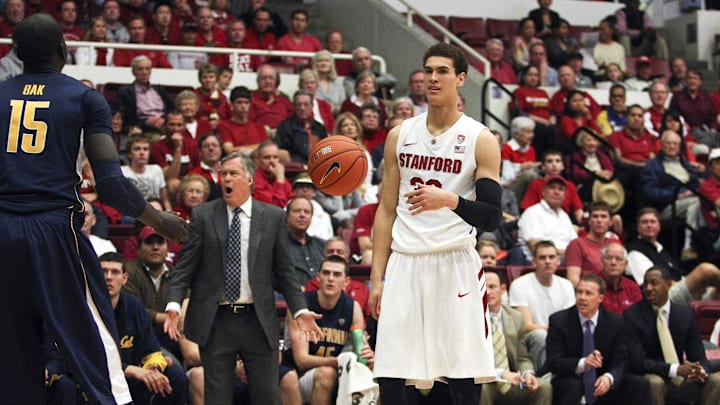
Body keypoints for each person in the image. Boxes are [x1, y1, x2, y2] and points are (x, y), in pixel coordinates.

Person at [0, 14, 187, 405]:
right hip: (52, 230)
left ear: (15, 52)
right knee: (95, 338)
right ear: (64, 51)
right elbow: (110, 186)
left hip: (3, 230)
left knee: (14, 354)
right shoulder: (84, 98)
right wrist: (159, 219)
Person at [369, 43, 502, 404]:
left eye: (442, 71)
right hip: (405, 260)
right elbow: (385, 210)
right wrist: (377, 278)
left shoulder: (481, 139)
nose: (432, 77)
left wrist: (451, 200)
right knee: (392, 375)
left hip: (454, 261)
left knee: (460, 376)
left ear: (460, 79)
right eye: (428, 70)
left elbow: (492, 214)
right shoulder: (399, 134)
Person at [163, 152, 323, 405]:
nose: (226, 178)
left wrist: (300, 309)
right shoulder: (204, 215)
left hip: (257, 320)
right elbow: (184, 267)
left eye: (233, 173)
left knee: (268, 396)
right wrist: (173, 303)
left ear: (249, 179)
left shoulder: (272, 217)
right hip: (217, 320)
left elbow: (285, 271)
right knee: (217, 398)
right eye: (223, 173)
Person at [99, 252, 189, 405]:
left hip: (132, 376)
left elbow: (151, 349)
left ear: (124, 278)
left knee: (175, 378)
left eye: (114, 272)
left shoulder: (134, 306)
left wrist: (153, 368)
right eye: (103, 272)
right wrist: (135, 371)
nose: (108, 277)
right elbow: (92, 361)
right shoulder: (85, 309)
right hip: (99, 378)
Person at [546, 274, 650, 405]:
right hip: (572, 377)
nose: (582, 297)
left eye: (588, 293)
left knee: (639, 384)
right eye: (579, 292)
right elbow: (554, 362)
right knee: (571, 386)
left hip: (602, 378)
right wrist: (584, 363)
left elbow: (621, 360)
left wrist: (609, 378)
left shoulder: (615, 322)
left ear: (600, 298)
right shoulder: (559, 321)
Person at [284, 255, 374, 404]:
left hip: (340, 373)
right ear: (318, 278)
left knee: (377, 373)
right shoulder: (301, 305)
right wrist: (342, 361)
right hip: (299, 378)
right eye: (326, 273)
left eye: (337, 274)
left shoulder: (353, 307)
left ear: (346, 282)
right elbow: (302, 360)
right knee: (327, 374)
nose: (330, 278)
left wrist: (366, 355)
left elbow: (360, 348)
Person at [624, 267, 720, 405]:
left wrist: (700, 370)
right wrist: (675, 369)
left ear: (668, 284)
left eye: (654, 283)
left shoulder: (685, 315)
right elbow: (638, 362)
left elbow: (698, 356)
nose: (648, 288)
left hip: (679, 380)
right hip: (649, 376)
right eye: (645, 284)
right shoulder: (632, 315)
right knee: (655, 382)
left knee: (715, 381)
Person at [481, 269, 551, 405]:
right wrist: (500, 373)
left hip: (512, 380)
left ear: (502, 289)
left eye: (492, 287)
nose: (487, 292)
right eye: (483, 287)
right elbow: (470, 361)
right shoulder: (469, 319)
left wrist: (527, 374)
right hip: (484, 379)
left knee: (543, 387)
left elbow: (522, 357)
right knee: (483, 388)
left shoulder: (516, 317)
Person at [626, 208, 720, 306]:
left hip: (680, 288)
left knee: (717, 291)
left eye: (653, 222)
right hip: (663, 296)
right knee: (705, 270)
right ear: (638, 227)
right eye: (644, 222)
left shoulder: (662, 249)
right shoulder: (635, 251)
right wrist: (691, 283)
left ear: (659, 226)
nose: (649, 225)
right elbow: (651, 283)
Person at [509, 240, 575, 370]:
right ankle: (545, 376)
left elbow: (570, 323)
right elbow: (526, 326)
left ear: (558, 261)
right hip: (531, 338)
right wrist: (555, 332)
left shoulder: (566, 285)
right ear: (534, 262)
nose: (547, 261)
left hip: (560, 337)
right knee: (541, 336)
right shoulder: (520, 284)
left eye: (551, 257)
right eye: (542, 257)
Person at [640, 130, 701, 260]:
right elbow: (650, 192)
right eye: (668, 143)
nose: (672, 146)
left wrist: (692, 192)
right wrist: (677, 195)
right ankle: (688, 247)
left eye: (675, 143)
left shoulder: (684, 163)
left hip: (691, 200)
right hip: (667, 206)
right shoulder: (653, 166)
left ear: (679, 147)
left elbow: (695, 183)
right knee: (696, 203)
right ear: (661, 145)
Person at [518, 175, 578, 262]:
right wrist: (569, 253)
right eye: (552, 188)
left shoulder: (564, 216)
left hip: (566, 259)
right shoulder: (533, 212)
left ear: (565, 195)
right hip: (543, 261)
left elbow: (575, 244)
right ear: (544, 192)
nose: (556, 192)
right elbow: (536, 247)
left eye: (560, 189)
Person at [565, 201, 621, 286]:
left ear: (610, 222)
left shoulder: (614, 243)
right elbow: (573, 279)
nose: (599, 220)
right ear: (589, 221)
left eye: (603, 217)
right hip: (589, 294)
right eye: (595, 216)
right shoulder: (577, 244)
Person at [116, 55, 175, 133]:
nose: (144, 72)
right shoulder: (126, 92)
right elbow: (125, 117)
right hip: (141, 129)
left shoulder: (159, 89)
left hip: (163, 127)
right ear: (133, 72)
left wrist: (164, 119)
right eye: (140, 69)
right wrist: (145, 122)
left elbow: (172, 109)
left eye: (147, 69)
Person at [669, 69, 720, 148]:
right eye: (690, 78)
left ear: (700, 82)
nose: (692, 81)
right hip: (687, 133)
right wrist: (681, 124)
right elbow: (672, 115)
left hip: (705, 132)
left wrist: (713, 128)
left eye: (695, 78)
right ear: (685, 81)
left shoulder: (706, 98)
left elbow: (713, 116)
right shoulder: (677, 97)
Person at [122, 134, 173, 211]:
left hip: (156, 210)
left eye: (145, 149)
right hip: (131, 212)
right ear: (129, 154)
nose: (142, 153)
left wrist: (169, 213)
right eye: (137, 149)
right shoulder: (122, 172)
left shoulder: (156, 170)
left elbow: (165, 200)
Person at [276, 89, 329, 164]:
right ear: (294, 106)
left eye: (306, 104)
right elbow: (282, 152)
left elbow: (327, 149)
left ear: (312, 106)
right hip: (296, 168)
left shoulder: (320, 127)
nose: (302, 108)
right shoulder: (285, 127)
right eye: (298, 104)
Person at [218, 85, 269, 155]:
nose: (243, 106)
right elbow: (229, 151)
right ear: (231, 104)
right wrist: (257, 147)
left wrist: (241, 149)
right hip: (235, 161)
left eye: (246, 102)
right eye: (239, 102)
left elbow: (267, 148)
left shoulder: (258, 125)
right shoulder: (224, 126)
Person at [500, 116, 541, 201]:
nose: (532, 135)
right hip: (508, 186)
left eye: (532, 132)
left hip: (524, 186)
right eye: (528, 132)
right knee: (529, 175)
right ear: (516, 134)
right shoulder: (507, 148)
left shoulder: (531, 149)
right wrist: (521, 167)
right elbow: (506, 176)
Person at [599, 242, 642, 315]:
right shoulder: (591, 285)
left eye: (618, 259)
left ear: (626, 264)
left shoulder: (633, 287)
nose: (613, 263)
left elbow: (640, 315)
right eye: (609, 258)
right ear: (602, 261)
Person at [249, 64, 294, 130]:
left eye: (271, 78)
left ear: (275, 81)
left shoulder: (284, 101)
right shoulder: (250, 100)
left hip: (283, 135)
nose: (267, 81)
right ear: (257, 81)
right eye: (264, 78)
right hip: (260, 135)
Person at [252, 140, 293, 208]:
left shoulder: (281, 177)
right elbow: (275, 208)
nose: (272, 161)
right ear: (258, 160)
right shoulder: (255, 180)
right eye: (267, 157)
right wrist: (280, 180)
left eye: (275, 157)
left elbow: (292, 199)